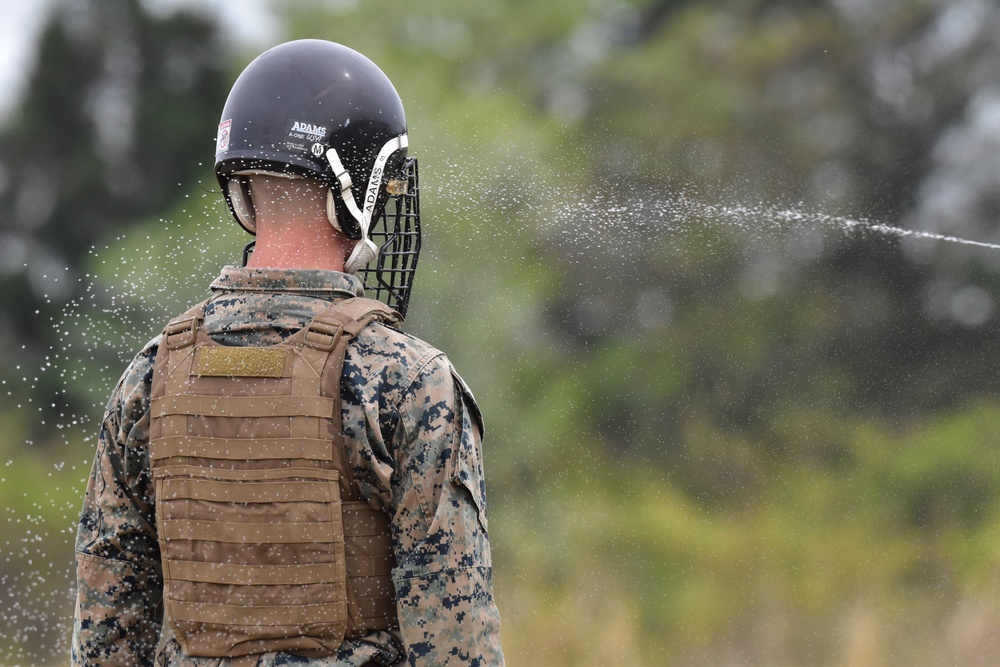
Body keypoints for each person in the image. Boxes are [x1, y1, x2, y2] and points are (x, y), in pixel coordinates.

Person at [72, 39, 504, 667]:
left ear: (242, 191)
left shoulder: (150, 375)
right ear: (356, 190)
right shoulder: (410, 382)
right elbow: (456, 643)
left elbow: (106, 632)